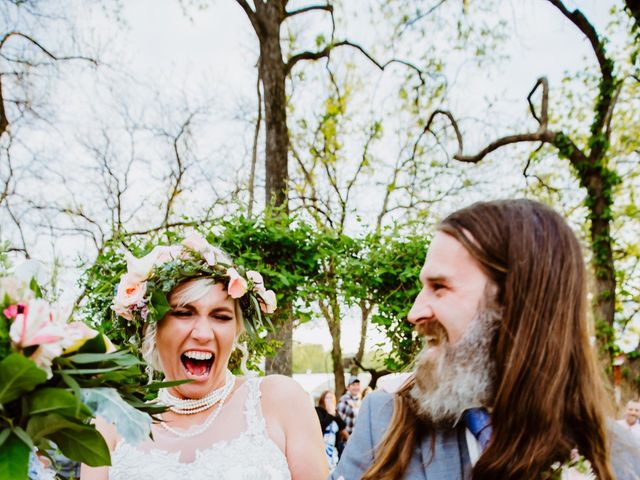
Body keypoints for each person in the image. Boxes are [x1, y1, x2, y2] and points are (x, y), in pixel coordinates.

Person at [332, 199, 640, 480]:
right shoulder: (384, 422)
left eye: (440, 287)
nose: (415, 312)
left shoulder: (618, 457)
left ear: (515, 302)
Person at [81, 233, 328, 480]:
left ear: (236, 330)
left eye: (220, 317)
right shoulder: (113, 422)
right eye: (184, 313)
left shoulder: (280, 401)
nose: (203, 333)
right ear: (152, 327)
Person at [315, 390, 347, 471]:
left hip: (333, 450)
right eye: (327, 398)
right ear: (323, 400)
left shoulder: (335, 412)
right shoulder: (318, 411)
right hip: (322, 447)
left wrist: (334, 414)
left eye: (331, 398)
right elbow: (321, 426)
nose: (329, 400)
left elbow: (342, 426)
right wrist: (329, 414)